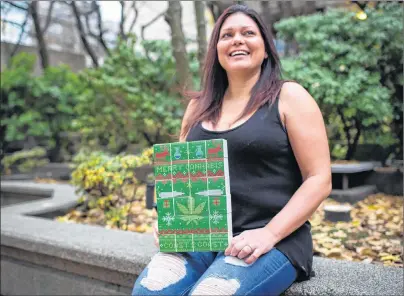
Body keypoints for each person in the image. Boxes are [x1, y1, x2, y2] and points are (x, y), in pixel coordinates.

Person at [132, 4, 331, 296]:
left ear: (266, 49)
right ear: (217, 51)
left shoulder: (290, 97)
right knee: (149, 292)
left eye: (248, 33)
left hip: (274, 240)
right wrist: (167, 223)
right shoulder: (197, 107)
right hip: (201, 238)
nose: (237, 39)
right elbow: (183, 178)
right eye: (227, 35)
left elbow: (319, 179)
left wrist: (269, 234)